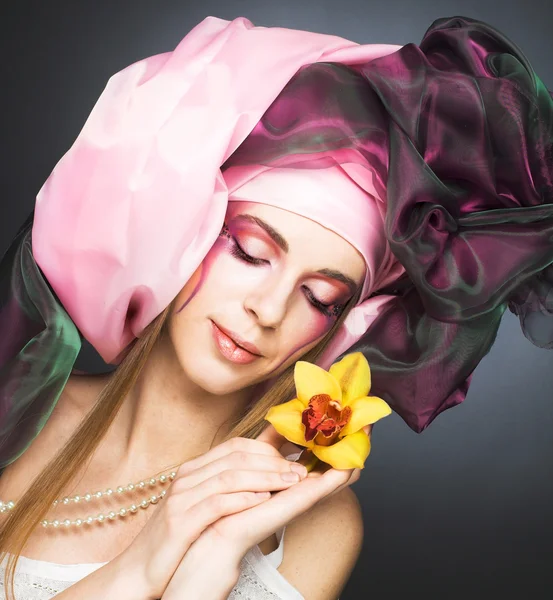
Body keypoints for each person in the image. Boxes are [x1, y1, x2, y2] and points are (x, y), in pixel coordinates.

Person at [0, 13, 552, 600]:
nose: (267, 309)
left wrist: (205, 565)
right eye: (249, 251)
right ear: (182, 231)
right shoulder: (16, 400)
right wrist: (145, 563)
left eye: (320, 297)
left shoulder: (315, 529)